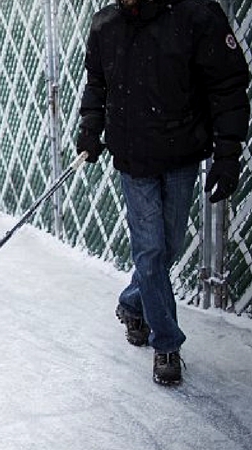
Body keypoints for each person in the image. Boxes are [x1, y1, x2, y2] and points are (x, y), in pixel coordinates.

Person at [76, 0, 250, 386]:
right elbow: (97, 83)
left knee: (166, 248)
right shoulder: (106, 25)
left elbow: (227, 85)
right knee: (151, 252)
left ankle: (132, 302)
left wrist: (228, 154)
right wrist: (90, 126)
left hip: (181, 155)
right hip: (133, 158)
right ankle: (167, 343)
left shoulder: (196, 16)